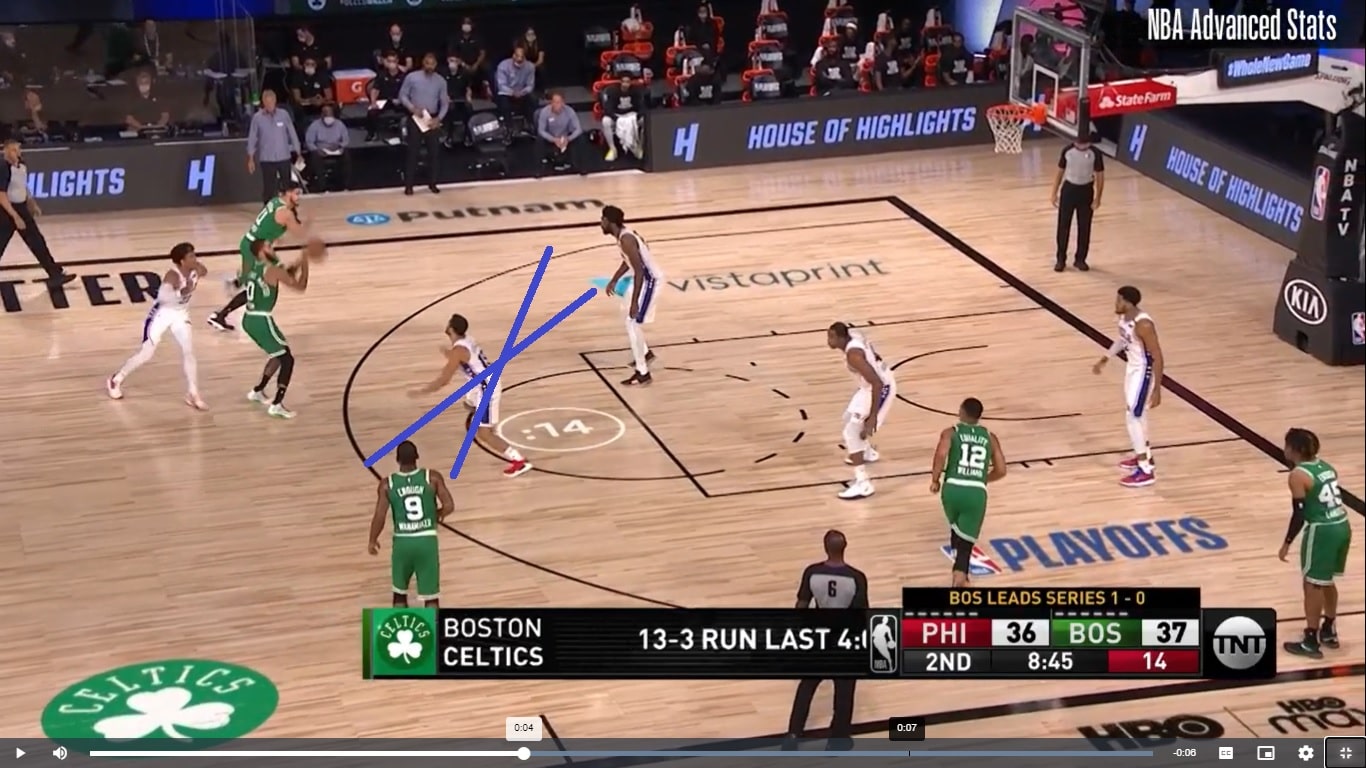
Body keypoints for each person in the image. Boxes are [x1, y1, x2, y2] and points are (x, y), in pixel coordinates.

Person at [408, 314, 532, 478]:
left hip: (486, 389)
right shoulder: (466, 341)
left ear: (451, 329)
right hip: (482, 384)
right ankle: (481, 413)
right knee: (469, 404)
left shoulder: (458, 351)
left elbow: (444, 379)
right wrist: (447, 353)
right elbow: (463, 357)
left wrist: (423, 391)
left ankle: (519, 460)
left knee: (483, 434)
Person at [785, 530, 867, 749]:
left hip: (819, 638)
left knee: (806, 687)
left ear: (825, 547)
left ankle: (793, 735)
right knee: (844, 692)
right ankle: (837, 741)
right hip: (844, 641)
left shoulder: (812, 572)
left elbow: (801, 607)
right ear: (845, 547)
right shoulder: (856, 577)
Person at [106, 242, 209, 409]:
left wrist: (198, 268)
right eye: (191, 256)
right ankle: (116, 379)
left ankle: (193, 393)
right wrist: (181, 291)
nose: (195, 258)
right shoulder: (172, 276)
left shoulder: (195, 268)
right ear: (182, 261)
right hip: (161, 314)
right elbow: (163, 297)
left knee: (189, 352)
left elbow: (203, 271)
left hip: (181, 314)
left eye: (194, 255)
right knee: (146, 353)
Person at [1280, 428, 1351, 658]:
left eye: (1286, 445)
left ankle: (1310, 640)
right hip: (1342, 525)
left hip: (1322, 530)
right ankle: (1329, 629)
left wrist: (1287, 542)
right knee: (1326, 580)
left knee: (1312, 584)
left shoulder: (1297, 475)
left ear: (1294, 449)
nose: (1284, 449)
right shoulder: (1326, 467)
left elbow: (1299, 515)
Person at [207, 181, 306, 332]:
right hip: (255, 248)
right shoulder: (285, 213)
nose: (299, 197)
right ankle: (221, 314)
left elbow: (271, 227)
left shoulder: (275, 202)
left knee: (264, 278)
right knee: (259, 286)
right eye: (296, 193)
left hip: (253, 244)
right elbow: (300, 234)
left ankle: (238, 282)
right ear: (287, 193)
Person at [929, 398, 1007, 586]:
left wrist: (935, 479)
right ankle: (959, 579)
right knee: (965, 545)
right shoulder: (990, 437)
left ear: (961, 412)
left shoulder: (950, 432)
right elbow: (1001, 470)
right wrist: (981, 479)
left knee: (956, 527)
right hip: (975, 493)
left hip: (952, 488)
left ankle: (961, 576)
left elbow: (941, 455)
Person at [368, 440, 454, 608]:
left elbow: (380, 515)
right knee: (431, 597)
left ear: (397, 460)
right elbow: (449, 506)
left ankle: (401, 623)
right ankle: (433, 625)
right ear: (417, 457)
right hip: (427, 541)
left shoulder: (387, 484)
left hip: (402, 542)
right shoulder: (432, 477)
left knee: (399, 594)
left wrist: (372, 540)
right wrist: (436, 515)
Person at [1092, 285, 1163, 488]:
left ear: (1128, 302)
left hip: (1143, 373)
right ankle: (1145, 455)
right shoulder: (1124, 319)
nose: (1116, 303)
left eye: (1119, 300)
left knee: (1133, 417)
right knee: (1136, 414)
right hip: (1132, 370)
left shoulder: (1144, 324)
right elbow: (1123, 340)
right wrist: (1105, 358)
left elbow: (1157, 356)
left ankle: (1145, 470)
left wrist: (1157, 389)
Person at [241, 237, 311, 419]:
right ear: (261, 252)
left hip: (249, 317)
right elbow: (300, 286)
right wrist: (305, 264)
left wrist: (299, 259)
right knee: (287, 360)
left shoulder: (255, 266)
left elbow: (285, 274)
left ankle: (257, 391)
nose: (271, 248)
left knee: (278, 354)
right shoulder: (272, 270)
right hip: (261, 319)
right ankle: (277, 404)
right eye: (268, 246)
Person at [826, 322, 895, 500]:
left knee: (851, 432)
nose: (828, 340)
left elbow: (877, 383)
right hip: (871, 385)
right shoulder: (854, 337)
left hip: (880, 387)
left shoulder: (854, 355)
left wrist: (872, 416)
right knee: (848, 417)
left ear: (842, 338)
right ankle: (866, 452)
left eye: (832, 337)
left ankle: (863, 483)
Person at [600, 206, 661, 386]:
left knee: (632, 321)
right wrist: (614, 279)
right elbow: (629, 262)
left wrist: (635, 302)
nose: (600, 223)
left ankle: (642, 372)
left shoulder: (626, 239)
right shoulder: (624, 236)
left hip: (650, 281)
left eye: (602, 219)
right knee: (625, 312)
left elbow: (640, 271)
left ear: (609, 222)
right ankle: (645, 352)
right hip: (642, 278)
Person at [0, 140, 74, 286]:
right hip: (6, 211)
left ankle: (55, 274)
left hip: (21, 208)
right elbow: (1, 194)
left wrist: (32, 203)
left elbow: (23, 186)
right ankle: (54, 273)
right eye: (13, 150)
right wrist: (15, 216)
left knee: (37, 241)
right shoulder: (3, 167)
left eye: (18, 149)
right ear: (6, 151)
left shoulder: (21, 166)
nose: (17, 152)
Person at [1051, 133, 1104, 271]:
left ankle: (1080, 259)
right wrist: (1054, 193)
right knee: (1063, 225)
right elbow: (1060, 172)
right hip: (1069, 190)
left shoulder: (1095, 153)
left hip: (1086, 191)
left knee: (1084, 227)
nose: (1080, 146)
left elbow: (1100, 176)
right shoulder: (1067, 151)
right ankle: (1060, 259)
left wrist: (1098, 198)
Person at [398, 53, 449, 196]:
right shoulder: (412, 77)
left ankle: (432, 183)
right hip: (415, 117)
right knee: (412, 152)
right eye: (427, 63)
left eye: (432, 64)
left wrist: (439, 118)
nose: (429, 66)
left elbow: (444, 103)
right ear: (423, 63)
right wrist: (412, 108)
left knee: (434, 153)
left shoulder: (440, 81)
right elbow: (402, 95)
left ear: (436, 65)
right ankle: (409, 185)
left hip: (431, 118)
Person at [245, 89, 300, 205]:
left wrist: (298, 151)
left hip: (283, 156)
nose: (269, 105)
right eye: (267, 102)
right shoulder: (257, 118)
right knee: (269, 188)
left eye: (271, 102)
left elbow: (292, 133)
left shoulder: (284, 115)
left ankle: (289, 209)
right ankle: (268, 210)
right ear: (263, 102)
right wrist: (250, 158)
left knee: (287, 185)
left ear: (275, 101)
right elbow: (252, 138)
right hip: (267, 158)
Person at [535, 93, 587, 177]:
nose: (556, 105)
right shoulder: (545, 112)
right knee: (539, 139)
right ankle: (539, 169)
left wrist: (568, 139)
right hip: (551, 138)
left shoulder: (569, 111)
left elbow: (578, 129)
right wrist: (553, 139)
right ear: (551, 102)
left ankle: (581, 166)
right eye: (554, 102)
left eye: (558, 102)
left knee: (581, 137)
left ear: (563, 103)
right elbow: (541, 130)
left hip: (566, 138)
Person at [600, 73, 646, 162]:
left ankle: (639, 148)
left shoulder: (636, 91)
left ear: (630, 83)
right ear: (620, 82)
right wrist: (617, 119)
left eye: (627, 82)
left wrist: (637, 117)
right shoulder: (612, 92)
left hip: (632, 116)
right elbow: (608, 109)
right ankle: (612, 149)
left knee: (644, 121)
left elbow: (642, 107)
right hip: (618, 116)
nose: (625, 84)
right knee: (605, 121)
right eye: (624, 82)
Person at [305, 104, 351, 191]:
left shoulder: (340, 124)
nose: (328, 116)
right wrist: (317, 150)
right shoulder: (314, 125)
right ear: (321, 115)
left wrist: (340, 146)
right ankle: (323, 187)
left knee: (346, 155)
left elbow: (346, 140)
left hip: (336, 150)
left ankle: (345, 186)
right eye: (325, 114)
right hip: (321, 151)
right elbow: (309, 142)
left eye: (330, 114)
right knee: (315, 157)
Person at [365, 51, 407, 142]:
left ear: (397, 61)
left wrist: (402, 100)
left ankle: (407, 133)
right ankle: (372, 134)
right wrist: (373, 102)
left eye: (394, 61)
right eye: (389, 61)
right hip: (384, 100)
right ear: (386, 62)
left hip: (399, 101)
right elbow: (375, 90)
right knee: (372, 112)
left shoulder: (403, 75)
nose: (392, 63)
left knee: (411, 111)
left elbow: (408, 91)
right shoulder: (381, 74)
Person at [494, 46, 537, 129]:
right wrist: (512, 92)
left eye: (522, 57)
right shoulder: (503, 66)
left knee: (533, 99)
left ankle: (530, 124)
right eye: (517, 56)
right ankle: (509, 127)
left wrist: (522, 92)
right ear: (513, 55)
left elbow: (530, 85)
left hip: (522, 93)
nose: (519, 59)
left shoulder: (530, 67)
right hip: (506, 93)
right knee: (504, 103)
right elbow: (501, 85)